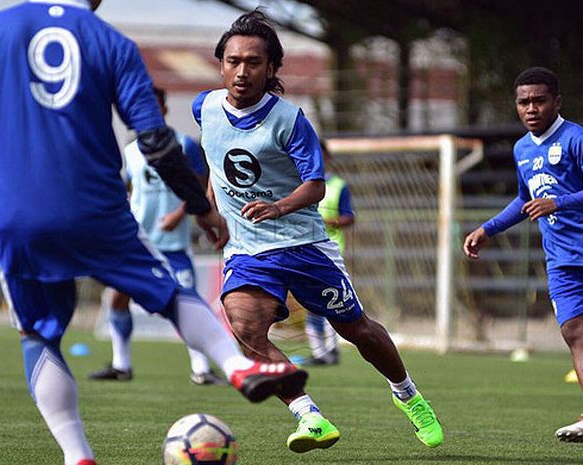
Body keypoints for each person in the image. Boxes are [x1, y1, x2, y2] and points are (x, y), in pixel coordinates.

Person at [0, 2, 308, 464]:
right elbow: (155, 139)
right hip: (98, 209)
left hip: (18, 215)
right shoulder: (112, 43)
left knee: (38, 337)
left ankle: (77, 455)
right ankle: (236, 366)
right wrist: (202, 208)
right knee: (168, 293)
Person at [193, 10, 443, 453]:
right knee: (244, 327)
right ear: (221, 64)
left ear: (271, 69)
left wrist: (279, 206)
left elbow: (316, 185)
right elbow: (216, 158)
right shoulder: (205, 107)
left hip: (305, 246)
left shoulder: (289, 120)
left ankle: (408, 394)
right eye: (233, 61)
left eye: (253, 62)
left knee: (359, 331)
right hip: (250, 251)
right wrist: (212, 210)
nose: (242, 71)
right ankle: (309, 416)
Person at [463, 66, 583, 443]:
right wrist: (488, 229)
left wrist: (559, 202)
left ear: (556, 102)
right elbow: (526, 199)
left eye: (539, 100)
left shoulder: (577, 138)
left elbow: (547, 201)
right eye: (523, 101)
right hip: (562, 260)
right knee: (574, 331)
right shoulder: (522, 149)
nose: (531, 108)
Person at [89, 86, 225, 385]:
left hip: (173, 243)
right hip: (138, 240)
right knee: (118, 298)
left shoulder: (184, 145)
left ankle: (201, 369)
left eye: (154, 104)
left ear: (163, 108)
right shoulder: (129, 150)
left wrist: (178, 215)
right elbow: (128, 188)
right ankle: (121, 364)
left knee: (188, 301)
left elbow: (199, 189)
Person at [303, 140, 355, 366]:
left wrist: (331, 221)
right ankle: (319, 352)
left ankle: (331, 350)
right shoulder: (300, 182)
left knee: (333, 303)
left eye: (321, 156)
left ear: (328, 158)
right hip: (305, 249)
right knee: (311, 305)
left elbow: (349, 216)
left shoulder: (338, 186)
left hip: (331, 251)